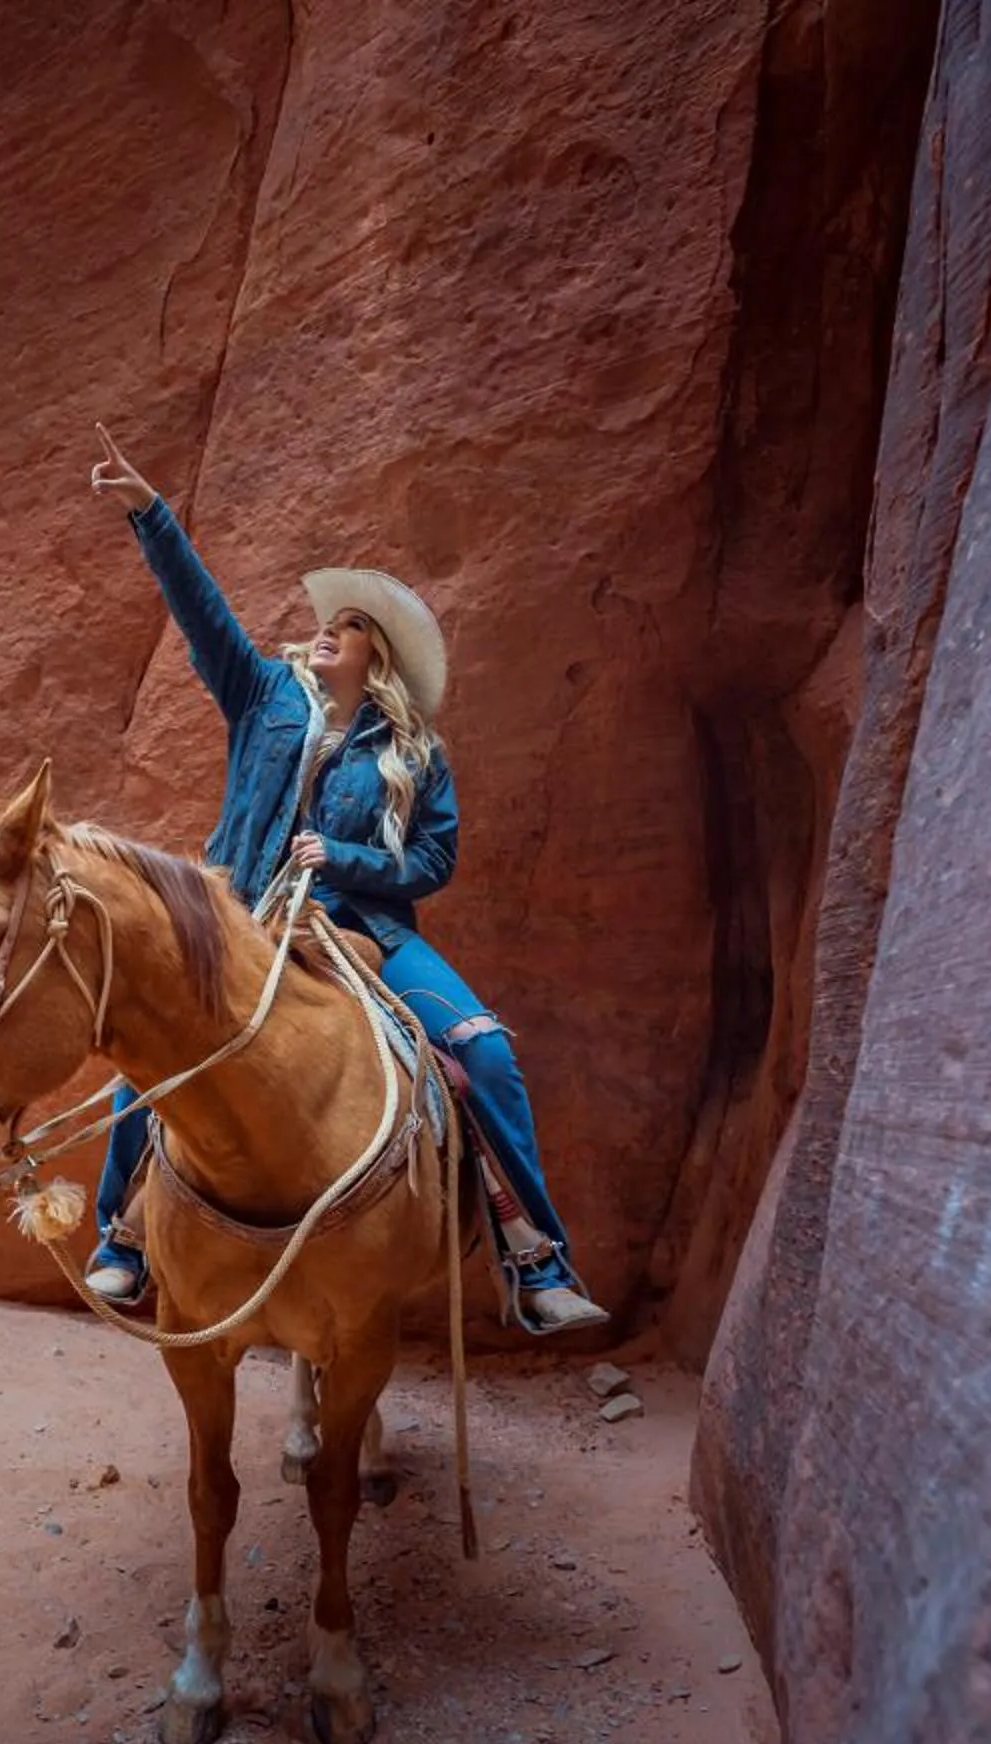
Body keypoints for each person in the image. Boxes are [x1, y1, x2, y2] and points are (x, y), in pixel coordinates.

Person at [79, 426, 609, 1337]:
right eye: (331, 622)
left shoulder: (413, 754)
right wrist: (149, 513)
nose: (330, 630)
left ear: (380, 658)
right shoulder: (264, 698)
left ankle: (535, 1259)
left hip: (365, 933)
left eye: (352, 626)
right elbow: (202, 613)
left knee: (482, 1054)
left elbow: (435, 862)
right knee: (154, 1049)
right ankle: (122, 1242)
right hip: (243, 919)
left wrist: (346, 859)